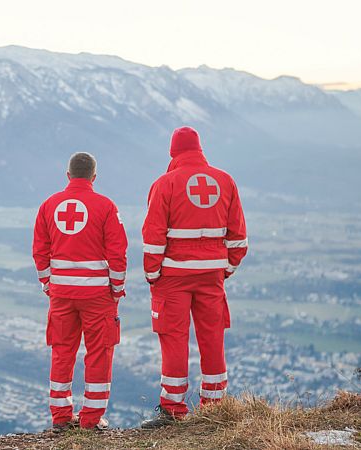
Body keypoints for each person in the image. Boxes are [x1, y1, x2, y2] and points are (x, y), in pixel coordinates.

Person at [140, 126, 247, 428]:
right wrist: (224, 269)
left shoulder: (165, 183)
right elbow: (238, 237)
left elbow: (153, 235)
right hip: (211, 275)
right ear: (200, 149)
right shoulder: (226, 181)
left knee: (174, 338)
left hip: (172, 276)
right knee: (212, 337)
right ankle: (214, 405)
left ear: (173, 152)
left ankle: (173, 409)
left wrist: (153, 273)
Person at [32, 152, 128, 431]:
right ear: (93, 177)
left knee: (62, 351)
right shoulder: (106, 206)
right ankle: (91, 419)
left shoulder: (48, 205)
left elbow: (40, 250)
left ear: (68, 175)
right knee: (99, 352)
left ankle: (61, 417)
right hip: (98, 295)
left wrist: (49, 283)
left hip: (61, 294)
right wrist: (117, 289)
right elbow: (117, 253)